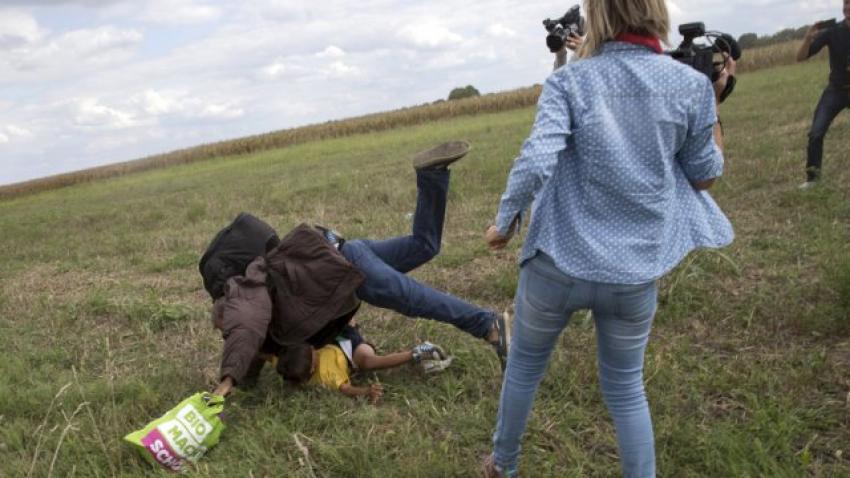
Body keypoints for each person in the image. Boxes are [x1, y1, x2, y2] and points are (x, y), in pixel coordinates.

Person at [481, 0, 735, 476]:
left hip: (556, 263)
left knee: (525, 368)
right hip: (634, 273)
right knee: (625, 387)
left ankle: (503, 465)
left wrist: (505, 221)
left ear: (597, 16)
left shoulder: (570, 81)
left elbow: (536, 161)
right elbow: (705, 177)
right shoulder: (691, 85)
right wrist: (715, 104)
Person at [213, 141, 509, 397]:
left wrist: (225, 382)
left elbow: (245, 327)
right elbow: (252, 346)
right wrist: (244, 380)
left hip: (349, 269)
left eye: (223, 326)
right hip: (348, 252)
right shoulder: (268, 302)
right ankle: (431, 175)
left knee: (409, 297)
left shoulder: (242, 294)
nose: (222, 331)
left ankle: (488, 325)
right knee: (424, 245)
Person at [275, 323, 452, 403]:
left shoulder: (286, 360)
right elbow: (346, 389)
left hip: (333, 336)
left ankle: (349, 318)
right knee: (368, 362)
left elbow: (268, 355)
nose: (315, 351)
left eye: (312, 349)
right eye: (315, 355)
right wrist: (367, 391)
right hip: (351, 351)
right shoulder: (327, 376)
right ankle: (420, 351)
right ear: (313, 369)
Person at [796, 1, 850, 189]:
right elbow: (801, 57)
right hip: (836, 90)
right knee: (816, 133)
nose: (847, 8)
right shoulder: (833, 31)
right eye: (846, 4)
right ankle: (813, 179)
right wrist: (807, 39)